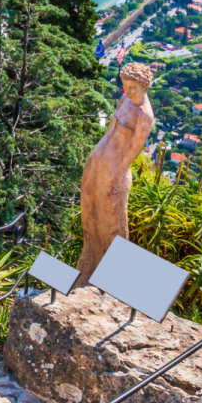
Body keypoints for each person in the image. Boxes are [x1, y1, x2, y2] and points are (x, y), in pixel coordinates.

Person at [74, 61, 156, 288]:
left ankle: (114, 282)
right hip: (97, 161)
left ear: (144, 86)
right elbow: (109, 132)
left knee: (112, 226)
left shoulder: (145, 116)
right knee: (89, 217)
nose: (128, 92)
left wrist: (115, 174)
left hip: (113, 171)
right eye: (125, 86)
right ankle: (86, 270)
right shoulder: (125, 99)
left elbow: (131, 153)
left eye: (132, 88)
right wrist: (95, 159)